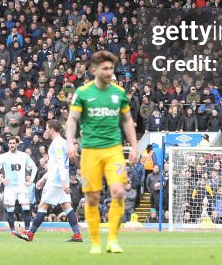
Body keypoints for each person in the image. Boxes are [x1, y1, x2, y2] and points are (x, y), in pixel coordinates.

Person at [66, 50, 140, 254]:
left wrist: (134, 147)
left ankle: (113, 240)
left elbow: (127, 120)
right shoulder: (83, 92)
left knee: (118, 191)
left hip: (114, 150)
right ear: (94, 70)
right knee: (92, 197)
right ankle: (96, 242)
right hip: (90, 151)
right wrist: (70, 142)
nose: (109, 72)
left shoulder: (119, 93)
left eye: (111, 68)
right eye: (105, 68)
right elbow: (72, 119)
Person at [13, 120, 82, 243]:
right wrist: (43, 178)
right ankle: (77, 234)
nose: (45, 130)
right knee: (66, 205)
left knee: (42, 205)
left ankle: (30, 233)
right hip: (60, 178)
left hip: (57, 181)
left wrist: (64, 183)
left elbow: (60, 164)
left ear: (51, 129)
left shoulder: (57, 144)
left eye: (46, 128)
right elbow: (56, 165)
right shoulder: (62, 142)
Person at [0, 136, 37, 234]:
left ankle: (27, 230)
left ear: (17, 144)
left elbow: (34, 168)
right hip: (9, 187)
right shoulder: (4, 156)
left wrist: (31, 181)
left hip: (21, 186)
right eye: (10, 143)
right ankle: (13, 231)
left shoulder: (24, 156)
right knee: (10, 210)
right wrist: (0, 178)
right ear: (8, 145)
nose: (12, 145)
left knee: (26, 208)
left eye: (13, 143)